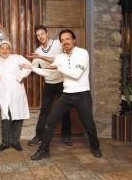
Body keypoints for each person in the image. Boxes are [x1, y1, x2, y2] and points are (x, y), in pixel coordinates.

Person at [22, 29, 102, 160]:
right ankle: (44, 150)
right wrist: (32, 68)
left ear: (73, 40)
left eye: (67, 39)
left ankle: (95, 147)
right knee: (50, 121)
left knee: (89, 124)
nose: (65, 42)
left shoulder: (82, 53)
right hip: (66, 95)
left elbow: (76, 74)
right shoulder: (60, 57)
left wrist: (58, 67)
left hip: (82, 94)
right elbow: (50, 73)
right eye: (62, 40)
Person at [27, 25, 73, 146]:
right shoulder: (37, 51)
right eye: (38, 35)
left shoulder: (58, 44)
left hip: (62, 83)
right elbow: (33, 68)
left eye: (42, 34)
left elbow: (59, 60)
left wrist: (41, 57)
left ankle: (66, 135)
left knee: (64, 110)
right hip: (49, 84)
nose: (40, 37)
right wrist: (22, 69)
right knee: (44, 110)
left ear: (47, 34)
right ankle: (39, 135)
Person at [0, 41, 31, 152]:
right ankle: (5, 143)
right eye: (2, 48)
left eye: (7, 48)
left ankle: (15, 142)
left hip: (17, 92)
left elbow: (29, 67)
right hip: (4, 93)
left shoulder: (17, 58)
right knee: (6, 117)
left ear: (10, 49)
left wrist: (20, 76)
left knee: (18, 117)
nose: (4, 50)